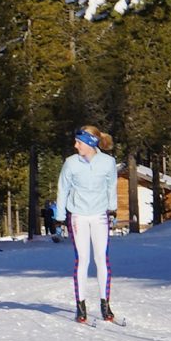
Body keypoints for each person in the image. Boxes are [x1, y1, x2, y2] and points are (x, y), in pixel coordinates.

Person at [57, 125, 119, 323]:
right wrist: (60, 215)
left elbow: (111, 186)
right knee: (83, 260)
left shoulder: (108, 162)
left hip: (99, 214)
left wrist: (112, 208)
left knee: (102, 258)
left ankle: (105, 304)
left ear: (90, 143)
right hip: (78, 216)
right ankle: (81, 306)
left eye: (79, 142)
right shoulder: (71, 163)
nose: (75, 146)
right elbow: (62, 188)